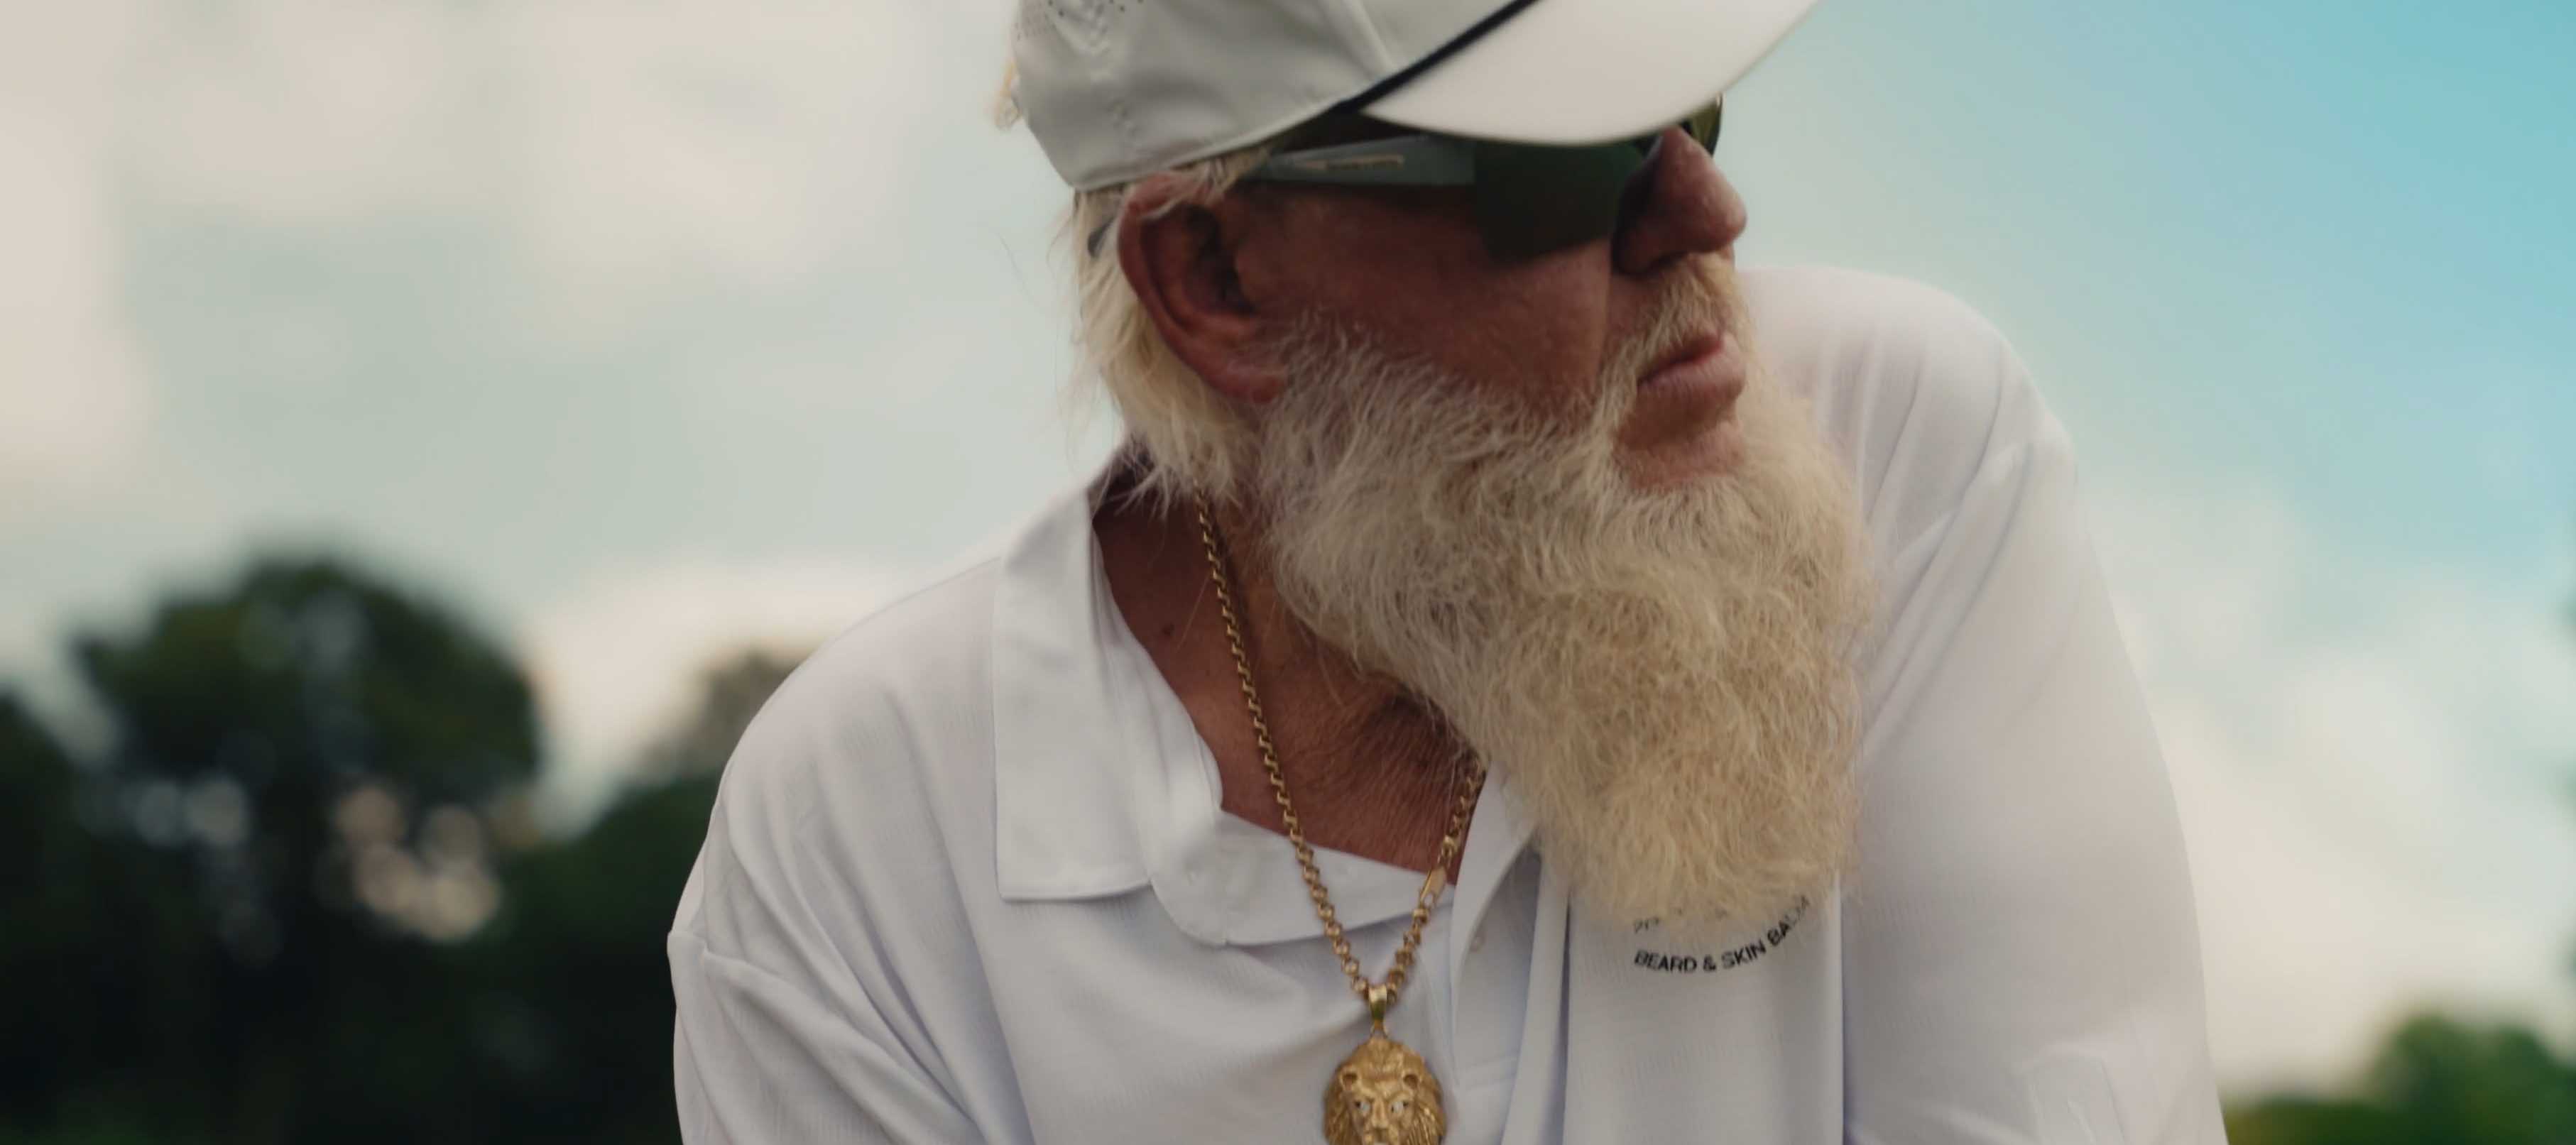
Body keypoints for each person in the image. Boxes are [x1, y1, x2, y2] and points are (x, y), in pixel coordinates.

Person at [666, 0, 2227, 1141]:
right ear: (1214, 279)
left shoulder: (1894, 443)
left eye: (1692, 104)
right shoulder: (862, 833)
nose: (1705, 211)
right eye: (1570, 163)